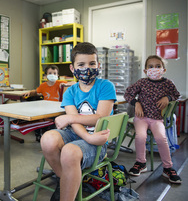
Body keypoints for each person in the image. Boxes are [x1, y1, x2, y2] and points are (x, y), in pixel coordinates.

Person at [40, 42, 117, 201]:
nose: (87, 68)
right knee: (47, 139)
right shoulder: (70, 91)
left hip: (97, 141)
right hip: (78, 134)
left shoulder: (105, 86)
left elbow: (100, 118)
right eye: (81, 64)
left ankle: (68, 186)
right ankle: (66, 180)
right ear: (72, 68)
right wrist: (84, 134)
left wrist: (69, 118)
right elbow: (74, 124)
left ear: (98, 65)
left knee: (69, 152)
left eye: (92, 63)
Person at [124, 55, 181, 184]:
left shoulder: (168, 83)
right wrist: (136, 103)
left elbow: (176, 95)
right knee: (140, 137)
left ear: (163, 69)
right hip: (141, 117)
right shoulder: (142, 82)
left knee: (161, 138)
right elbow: (128, 93)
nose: (154, 69)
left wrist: (168, 97)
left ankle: (168, 167)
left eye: (158, 66)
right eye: (150, 67)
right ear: (145, 71)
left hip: (157, 119)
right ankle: (141, 163)